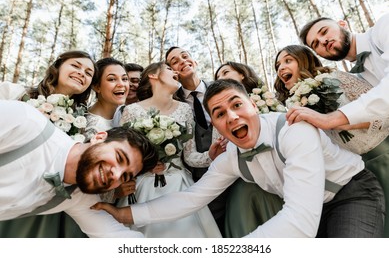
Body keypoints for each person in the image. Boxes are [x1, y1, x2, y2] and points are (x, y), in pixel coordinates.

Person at [92, 79, 384, 238]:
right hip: (309, 209)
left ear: (253, 106)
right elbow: (192, 198)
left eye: (237, 105)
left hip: (352, 194)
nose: (231, 117)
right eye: (219, 114)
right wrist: (125, 215)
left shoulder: (294, 131)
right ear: (215, 125)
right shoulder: (231, 156)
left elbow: (300, 223)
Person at [287, 14, 389, 236]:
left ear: (342, 24)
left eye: (324, 32)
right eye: (316, 44)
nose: (323, 42)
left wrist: (333, 119)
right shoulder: (355, 76)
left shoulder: (383, 28)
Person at [0, 100, 159, 237]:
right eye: (119, 158)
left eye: (124, 177)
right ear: (98, 137)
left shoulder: (80, 198)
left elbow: (118, 238)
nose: (116, 175)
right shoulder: (26, 121)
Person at [119, 61, 222, 238]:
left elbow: (189, 156)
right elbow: (121, 155)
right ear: (153, 75)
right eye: (168, 68)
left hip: (179, 187)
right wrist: (144, 165)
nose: (175, 71)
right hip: (143, 188)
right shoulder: (131, 111)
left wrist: (210, 155)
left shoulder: (184, 110)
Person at [0, 50, 96, 238]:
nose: (81, 73)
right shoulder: (16, 93)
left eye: (88, 73)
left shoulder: (84, 123)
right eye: (75, 66)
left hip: (38, 206)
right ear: (58, 67)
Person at [214, 61, 284, 237]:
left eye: (225, 72)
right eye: (217, 77)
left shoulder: (267, 97)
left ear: (242, 74)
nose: (220, 78)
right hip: (247, 175)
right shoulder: (223, 113)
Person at [165, 46, 229, 235]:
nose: (182, 61)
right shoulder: (171, 103)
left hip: (235, 172)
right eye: (175, 61)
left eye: (185, 56)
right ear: (172, 72)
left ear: (195, 61)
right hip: (199, 180)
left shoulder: (221, 88)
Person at [85, 57, 136, 205]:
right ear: (96, 86)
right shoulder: (92, 127)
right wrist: (114, 193)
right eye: (112, 79)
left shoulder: (123, 118)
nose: (121, 84)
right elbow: (84, 180)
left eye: (124, 79)